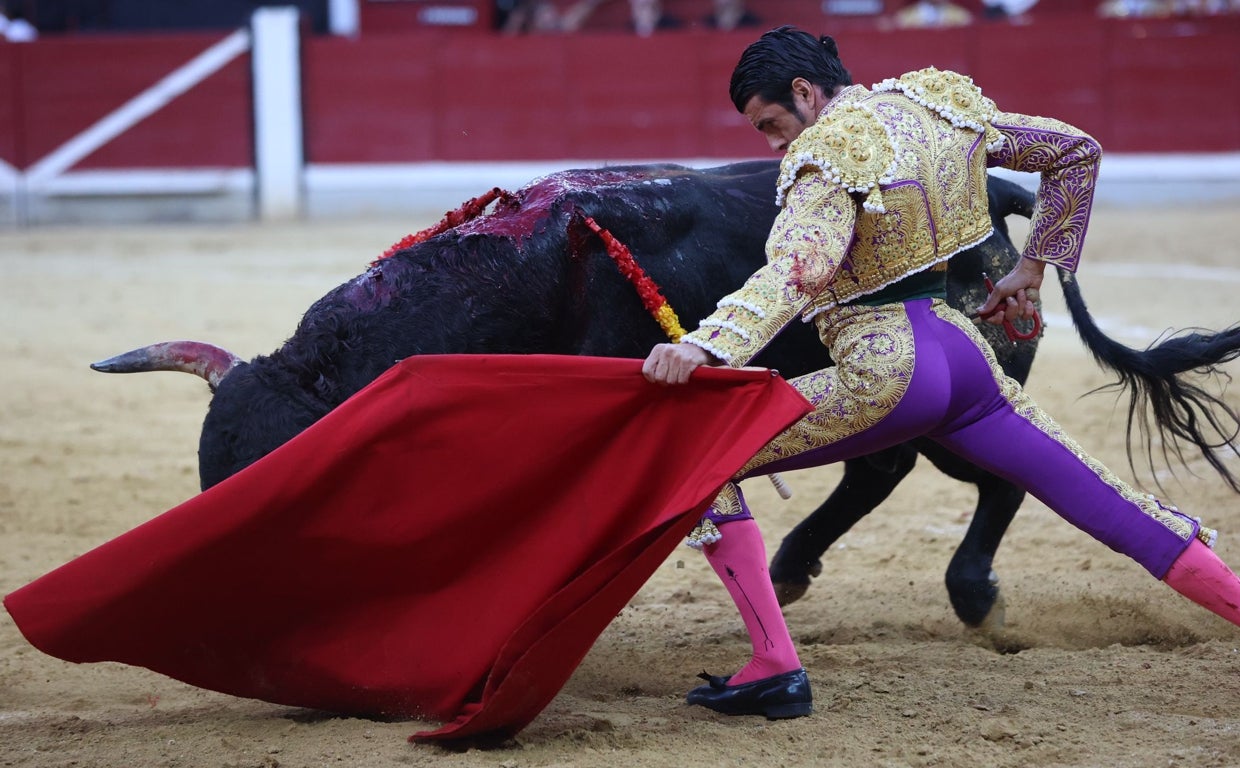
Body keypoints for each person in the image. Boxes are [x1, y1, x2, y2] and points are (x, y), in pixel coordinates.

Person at [642, 24, 1240, 719]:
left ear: (805, 93)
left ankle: (774, 666)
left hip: (884, 371)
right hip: (964, 359)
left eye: (772, 123)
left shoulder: (825, 154)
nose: (774, 143)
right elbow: (1075, 153)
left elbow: (796, 272)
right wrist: (1030, 267)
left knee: (701, 455)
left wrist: (708, 346)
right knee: (1115, 507)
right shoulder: (936, 106)